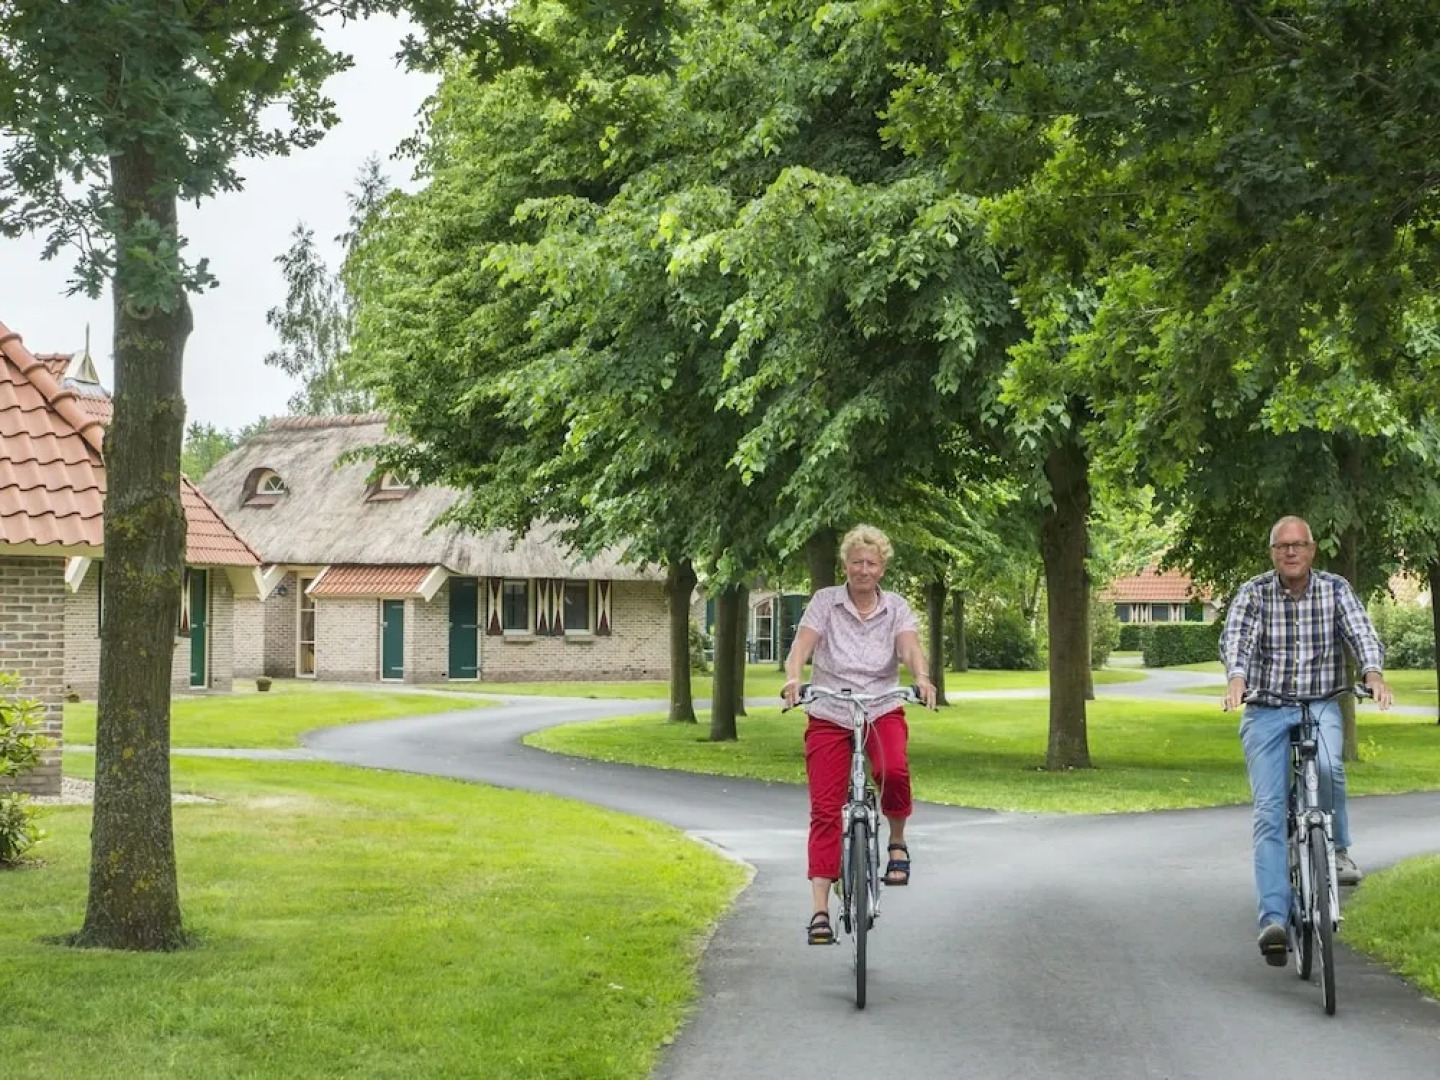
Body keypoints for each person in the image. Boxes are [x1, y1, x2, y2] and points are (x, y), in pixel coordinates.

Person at [1220, 514, 1393, 966]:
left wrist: (1372, 673)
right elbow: (1237, 638)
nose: (1291, 552)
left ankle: (1337, 849)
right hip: (1267, 707)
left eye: (1299, 545)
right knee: (1269, 812)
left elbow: (1361, 631)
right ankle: (1274, 921)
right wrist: (1237, 677)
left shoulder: (1335, 589)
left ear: (1312, 550)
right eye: (1283, 546)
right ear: (1273, 553)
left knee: (1330, 767)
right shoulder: (1254, 593)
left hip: (1320, 703)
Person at [782, 525, 937, 945]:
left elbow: (909, 647)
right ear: (845, 565)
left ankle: (897, 844)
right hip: (830, 710)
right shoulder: (825, 602)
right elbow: (802, 646)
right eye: (856, 562)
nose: (863, 569)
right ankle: (820, 911)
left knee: (893, 770)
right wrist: (794, 677)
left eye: (871, 563)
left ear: (882, 568)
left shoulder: (896, 607)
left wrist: (921, 677)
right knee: (825, 809)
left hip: (880, 706)